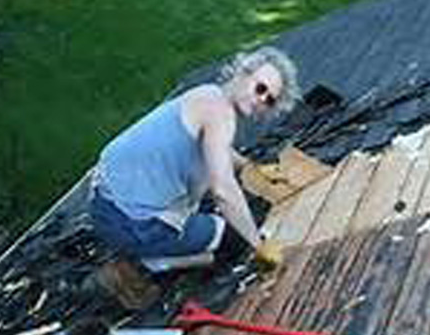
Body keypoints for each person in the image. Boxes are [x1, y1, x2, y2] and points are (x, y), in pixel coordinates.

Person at [90, 47, 301, 272]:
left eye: (269, 100)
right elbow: (222, 190)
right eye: (260, 88)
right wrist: (258, 245)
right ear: (242, 73)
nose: (261, 99)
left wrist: (249, 166)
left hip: (101, 202)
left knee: (214, 205)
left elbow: (217, 149)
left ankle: (161, 247)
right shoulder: (222, 116)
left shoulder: (208, 94)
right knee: (236, 241)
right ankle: (156, 262)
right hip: (132, 224)